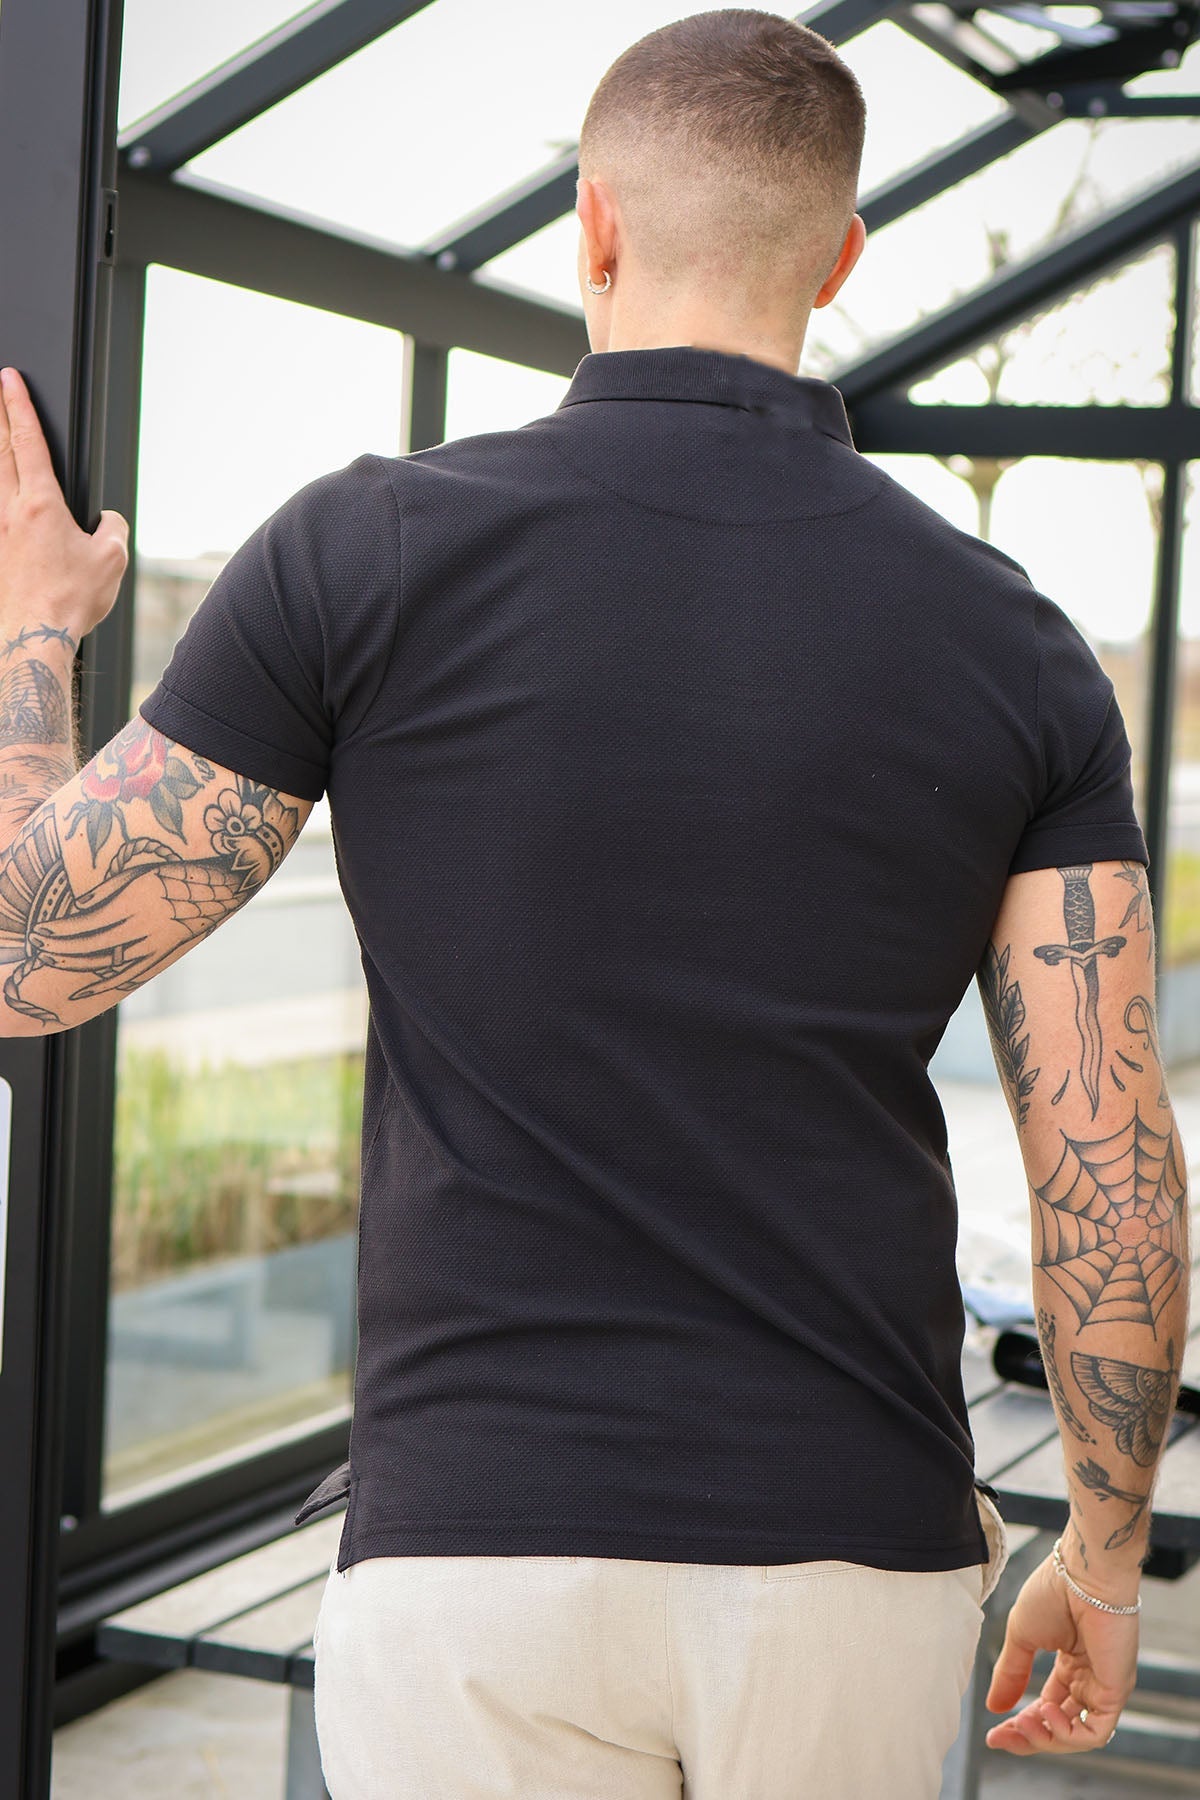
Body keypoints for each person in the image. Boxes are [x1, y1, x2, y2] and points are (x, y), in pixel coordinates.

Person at [0, 8, 1188, 1796]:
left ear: (595, 223)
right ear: (841, 259)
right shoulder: (1011, 639)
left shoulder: (365, 551)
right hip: (850, 1556)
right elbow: (1109, 1162)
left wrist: (33, 635)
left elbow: (23, 955)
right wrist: (1102, 1558)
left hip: (477, 1559)